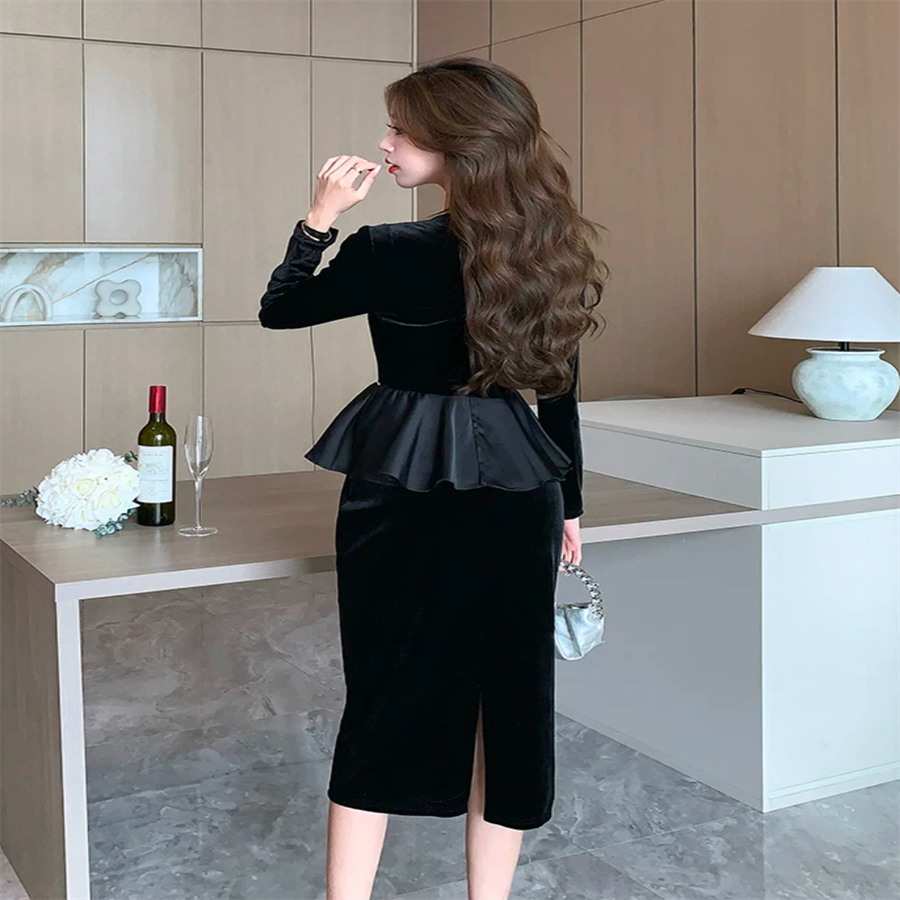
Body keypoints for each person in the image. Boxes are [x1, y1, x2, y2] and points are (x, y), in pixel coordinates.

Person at [258, 56, 608, 900]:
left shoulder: (388, 248)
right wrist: (568, 506)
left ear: (455, 145)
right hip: (519, 489)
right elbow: (558, 391)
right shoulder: (547, 249)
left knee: (385, 692)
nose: (386, 145)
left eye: (402, 132)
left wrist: (318, 218)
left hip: (400, 480)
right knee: (508, 706)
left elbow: (281, 308)